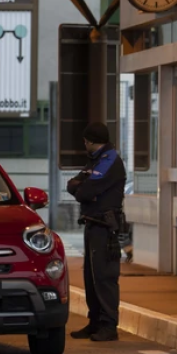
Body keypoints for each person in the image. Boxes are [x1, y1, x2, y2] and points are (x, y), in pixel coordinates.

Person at [67, 122, 126, 342]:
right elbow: (74, 185)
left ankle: (109, 326)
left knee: (104, 277)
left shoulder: (110, 160)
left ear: (90, 141)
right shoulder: (97, 160)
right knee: (91, 277)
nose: (84, 144)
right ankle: (95, 323)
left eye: (85, 141)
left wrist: (83, 190)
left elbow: (85, 189)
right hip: (93, 223)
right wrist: (81, 188)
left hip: (105, 227)